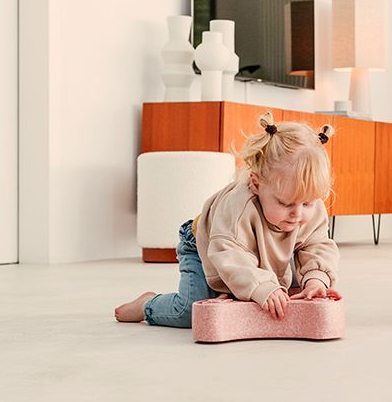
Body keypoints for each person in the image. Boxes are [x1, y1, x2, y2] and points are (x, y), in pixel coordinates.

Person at [115, 112, 339, 327]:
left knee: (295, 291)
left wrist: (316, 279)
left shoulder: (307, 205)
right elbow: (230, 253)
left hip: (258, 248)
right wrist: (262, 287)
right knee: (193, 311)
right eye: (285, 203)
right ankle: (147, 304)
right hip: (208, 245)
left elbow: (317, 245)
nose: (298, 214)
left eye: (307, 203)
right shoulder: (238, 207)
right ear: (256, 183)